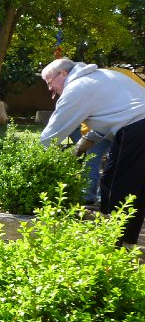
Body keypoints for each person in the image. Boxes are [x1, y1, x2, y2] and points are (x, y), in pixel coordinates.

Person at [40, 58, 145, 246]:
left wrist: (36, 157)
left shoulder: (77, 87)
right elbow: (109, 119)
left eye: (49, 82)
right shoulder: (102, 77)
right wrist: (80, 148)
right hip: (134, 127)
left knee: (118, 186)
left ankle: (114, 243)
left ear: (63, 73)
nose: (49, 88)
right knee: (127, 185)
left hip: (136, 129)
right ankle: (125, 241)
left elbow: (51, 135)